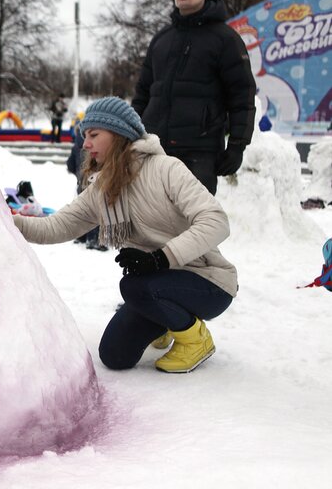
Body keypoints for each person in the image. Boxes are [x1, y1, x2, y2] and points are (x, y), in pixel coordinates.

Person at [13, 97, 237, 373]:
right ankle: (166, 319)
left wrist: (160, 259)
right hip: (154, 288)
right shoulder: (103, 188)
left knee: (132, 286)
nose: (85, 144)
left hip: (208, 283)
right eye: (85, 136)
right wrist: (9, 221)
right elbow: (58, 226)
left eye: (94, 134)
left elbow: (216, 222)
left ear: (119, 135)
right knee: (114, 356)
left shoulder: (166, 170)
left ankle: (194, 339)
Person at [131, 0, 256, 195]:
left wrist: (238, 145)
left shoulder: (225, 39)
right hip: (153, 148)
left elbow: (242, 95)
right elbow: (143, 93)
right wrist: (130, 133)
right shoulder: (161, 39)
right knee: (151, 223)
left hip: (199, 152)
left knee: (194, 224)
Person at [65, 113, 106, 251]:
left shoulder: (75, 147)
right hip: (93, 182)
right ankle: (93, 239)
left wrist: (77, 174)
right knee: (95, 211)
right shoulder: (94, 146)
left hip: (80, 183)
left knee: (82, 210)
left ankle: (80, 236)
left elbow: (70, 164)